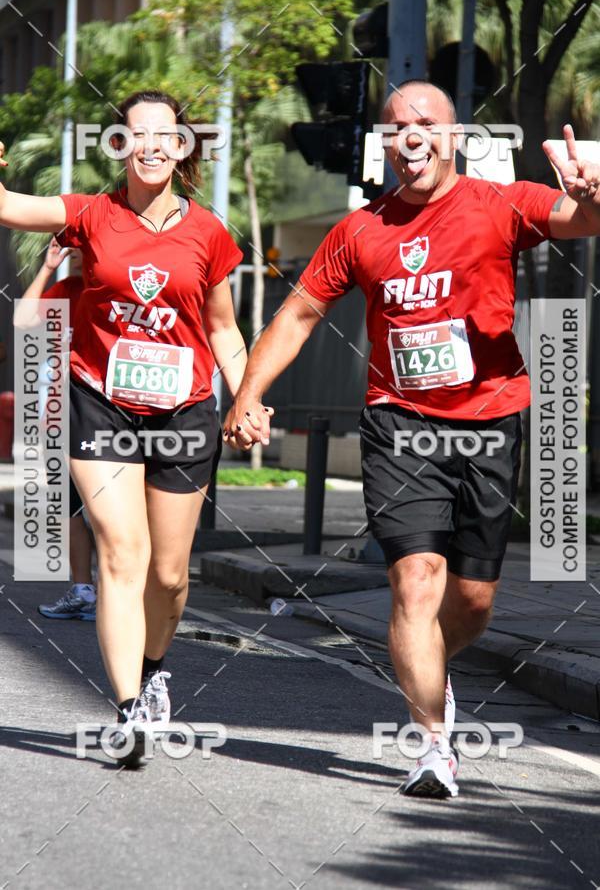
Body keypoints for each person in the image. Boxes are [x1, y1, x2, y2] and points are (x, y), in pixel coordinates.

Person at [224, 81, 600, 798]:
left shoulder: (500, 204)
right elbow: (299, 316)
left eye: (426, 123)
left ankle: (432, 666)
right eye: (397, 128)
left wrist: (590, 194)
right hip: (400, 425)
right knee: (414, 584)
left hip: (490, 419)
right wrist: (248, 392)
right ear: (387, 144)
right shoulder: (359, 231)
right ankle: (432, 745)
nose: (411, 136)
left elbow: (579, 221)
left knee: (475, 600)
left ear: (453, 136)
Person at [1, 89, 246, 764]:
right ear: (119, 145)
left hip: (185, 410)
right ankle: (129, 705)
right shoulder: (92, 215)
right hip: (100, 403)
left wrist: (247, 396)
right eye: (136, 134)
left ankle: (156, 665)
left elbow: (223, 329)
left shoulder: (210, 232)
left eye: (164, 134)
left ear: (182, 145)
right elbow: (11, 207)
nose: (151, 145)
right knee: (120, 555)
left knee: (168, 577)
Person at [14, 238, 96, 620]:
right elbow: (22, 321)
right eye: (71, 245)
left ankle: (125, 599)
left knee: (110, 510)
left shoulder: (113, 289)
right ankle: (83, 590)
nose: (75, 250)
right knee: (70, 507)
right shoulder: (65, 290)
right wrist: (47, 267)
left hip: (108, 417)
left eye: (83, 244)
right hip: (62, 417)